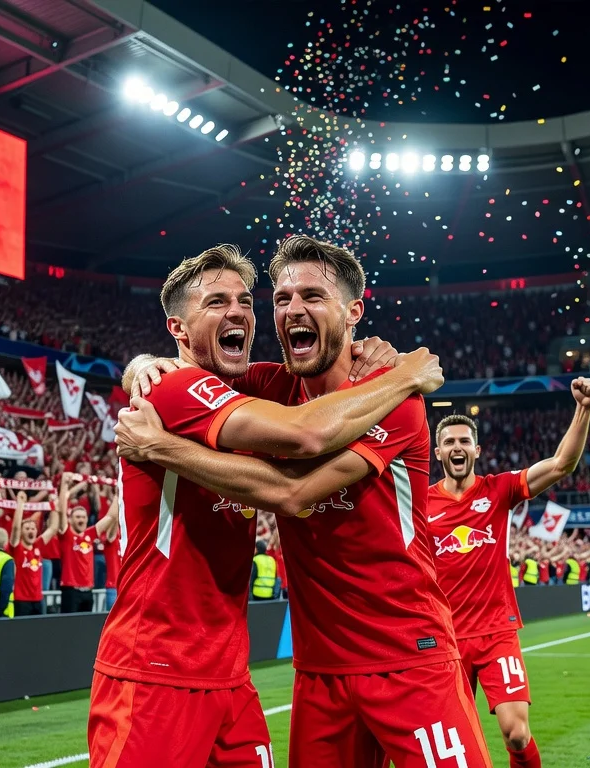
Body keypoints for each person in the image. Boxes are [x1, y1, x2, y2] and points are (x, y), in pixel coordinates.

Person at [110, 238, 465, 768]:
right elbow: (290, 452)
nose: (292, 310)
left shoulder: (389, 397)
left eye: (312, 297)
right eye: (280, 298)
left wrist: (400, 374)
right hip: (302, 671)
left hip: (407, 657)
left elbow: (294, 491)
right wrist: (143, 365)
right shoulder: (262, 389)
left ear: (353, 313)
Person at [423, 378, 590, 768]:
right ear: (437, 452)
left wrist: (584, 408)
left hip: (496, 632)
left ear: (477, 449)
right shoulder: (422, 502)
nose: (457, 448)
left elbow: (561, 464)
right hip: (445, 639)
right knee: (451, 745)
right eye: (449, 442)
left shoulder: (498, 490)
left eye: (464, 441)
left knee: (516, 734)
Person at [9, 485, 60, 617]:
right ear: (21, 532)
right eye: (27, 528)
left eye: (33, 528)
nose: (31, 531)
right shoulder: (16, 547)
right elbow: (15, 528)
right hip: (21, 600)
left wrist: (54, 505)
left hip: (38, 599)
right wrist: (20, 504)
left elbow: (53, 527)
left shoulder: (37, 545)